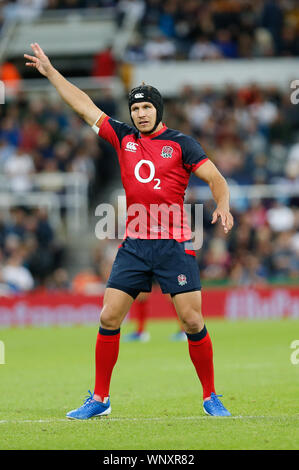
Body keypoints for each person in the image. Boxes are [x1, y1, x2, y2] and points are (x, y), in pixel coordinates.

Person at [24, 43, 234, 418]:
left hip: (174, 244)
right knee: (108, 317)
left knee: (192, 320)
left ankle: (210, 396)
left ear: (158, 110)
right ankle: (100, 399)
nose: (139, 114)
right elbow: (85, 105)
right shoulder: (123, 138)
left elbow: (216, 177)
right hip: (135, 244)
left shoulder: (181, 144)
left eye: (146, 107)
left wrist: (223, 205)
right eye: (135, 108)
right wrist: (52, 73)